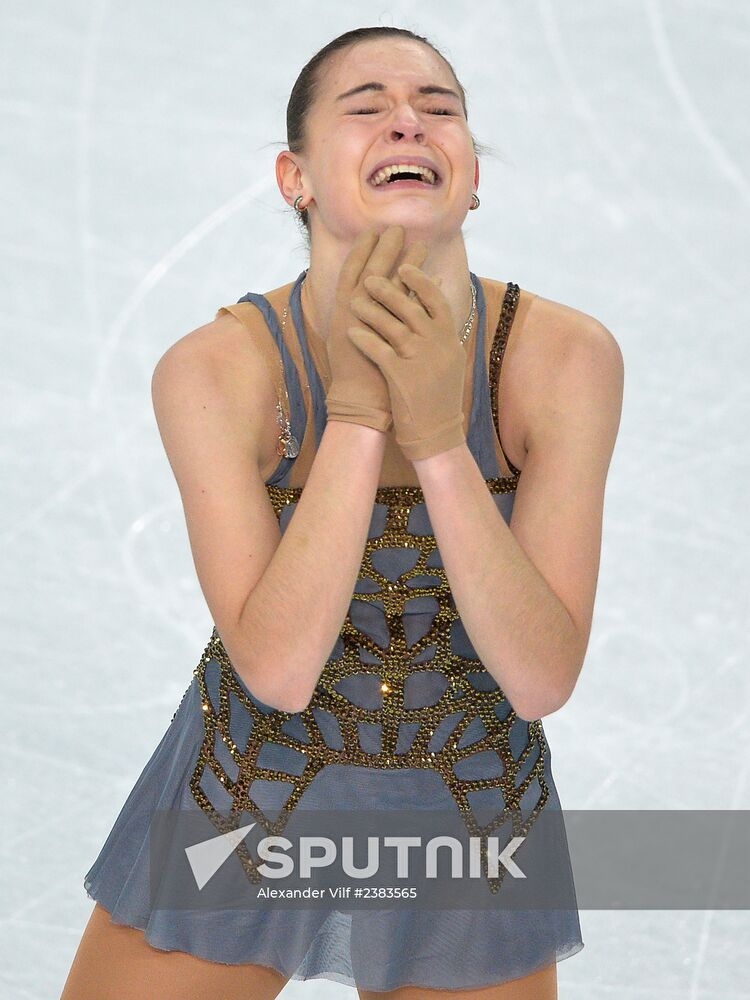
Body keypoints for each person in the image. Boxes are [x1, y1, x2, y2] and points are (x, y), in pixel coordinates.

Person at [60, 24, 623, 1000]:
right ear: (297, 177)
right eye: (366, 106)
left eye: (439, 108)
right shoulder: (217, 371)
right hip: (247, 791)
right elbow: (278, 668)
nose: (408, 118)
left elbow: (539, 679)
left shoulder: (565, 361)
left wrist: (443, 439)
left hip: (470, 804)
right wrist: (360, 413)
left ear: (472, 174)